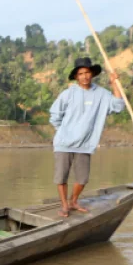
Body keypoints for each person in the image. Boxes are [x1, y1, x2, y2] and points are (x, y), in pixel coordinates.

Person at [48, 56, 124, 217]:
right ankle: (64, 205)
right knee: (61, 177)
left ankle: (73, 201)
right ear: (76, 76)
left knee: (82, 179)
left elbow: (118, 107)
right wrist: (63, 132)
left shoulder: (101, 94)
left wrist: (115, 84)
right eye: (81, 73)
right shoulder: (68, 94)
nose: (84, 76)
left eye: (87, 72)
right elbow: (55, 115)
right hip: (64, 143)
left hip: (85, 144)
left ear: (92, 74)